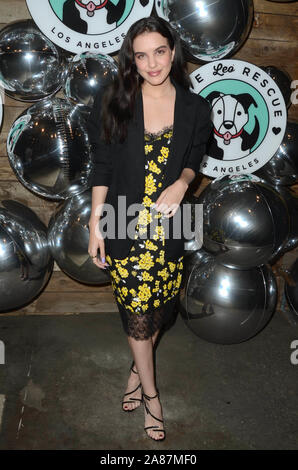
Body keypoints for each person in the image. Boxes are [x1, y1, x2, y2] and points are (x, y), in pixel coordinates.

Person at [87, 15, 212, 442]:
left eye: (159, 51)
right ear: (132, 60)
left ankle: (136, 369)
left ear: (173, 51)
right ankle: (152, 396)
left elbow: (197, 154)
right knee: (137, 314)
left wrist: (182, 182)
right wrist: (95, 222)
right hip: (123, 224)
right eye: (141, 56)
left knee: (161, 309)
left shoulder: (195, 107)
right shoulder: (116, 99)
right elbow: (102, 166)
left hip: (171, 228)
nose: (152, 63)